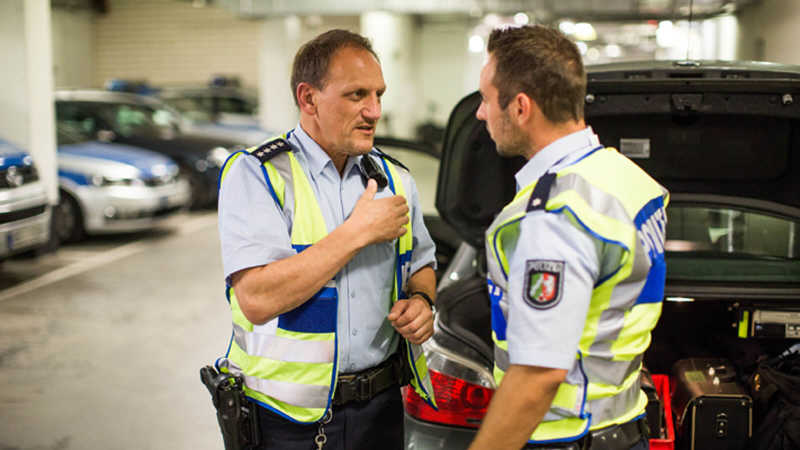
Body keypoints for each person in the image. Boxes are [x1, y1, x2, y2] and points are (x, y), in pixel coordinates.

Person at [214, 29, 438, 449]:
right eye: (356, 95)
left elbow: (423, 262)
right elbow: (257, 299)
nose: (374, 111)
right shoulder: (257, 175)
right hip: (286, 420)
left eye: (378, 95)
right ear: (308, 98)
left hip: (383, 408)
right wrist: (356, 234)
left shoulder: (396, 179)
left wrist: (423, 301)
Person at [469, 25, 669, 450]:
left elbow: (538, 374)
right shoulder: (625, 179)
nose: (481, 115)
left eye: (486, 100)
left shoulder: (555, 216)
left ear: (521, 107)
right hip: (624, 425)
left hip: (566, 437)